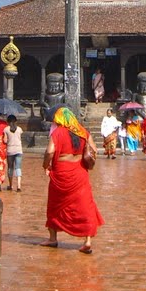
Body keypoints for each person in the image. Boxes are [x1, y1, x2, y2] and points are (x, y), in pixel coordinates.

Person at [41, 107, 104, 253]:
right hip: (80, 172)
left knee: (55, 205)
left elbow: (50, 151)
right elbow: (94, 149)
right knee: (85, 204)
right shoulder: (83, 131)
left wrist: (46, 165)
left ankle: (53, 238)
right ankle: (87, 240)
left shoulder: (58, 132)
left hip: (61, 173)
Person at [4, 114, 24, 191]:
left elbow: (5, 140)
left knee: (10, 168)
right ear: (16, 121)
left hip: (10, 150)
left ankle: (10, 185)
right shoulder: (19, 129)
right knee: (18, 167)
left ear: (8, 122)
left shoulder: (6, 129)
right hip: (19, 150)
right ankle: (18, 186)